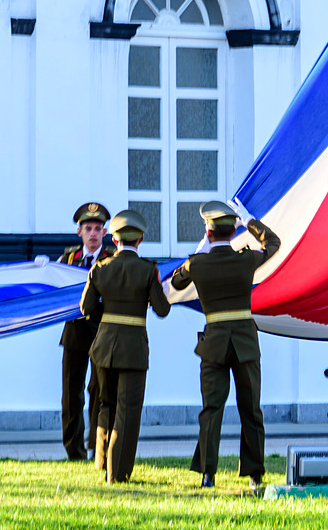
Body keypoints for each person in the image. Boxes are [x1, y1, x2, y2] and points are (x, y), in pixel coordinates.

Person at [170, 201, 280, 489]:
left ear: (207, 232)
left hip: (214, 343)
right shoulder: (246, 259)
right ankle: (255, 474)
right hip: (244, 341)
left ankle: (208, 474)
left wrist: (201, 251)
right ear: (233, 232)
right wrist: (250, 222)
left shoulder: (197, 263)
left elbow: (178, 283)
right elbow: (273, 243)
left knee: (212, 409)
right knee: (251, 409)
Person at [80, 209, 170, 483]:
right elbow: (162, 309)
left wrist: (106, 322)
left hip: (104, 346)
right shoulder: (147, 270)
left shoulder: (100, 267)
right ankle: (116, 474)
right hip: (133, 350)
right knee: (127, 410)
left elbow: (86, 307)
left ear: (114, 239)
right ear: (140, 239)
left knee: (105, 405)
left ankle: (102, 463)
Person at [57, 202, 114, 461]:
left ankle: (97, 448)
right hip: (74, 333)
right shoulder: (68, 260)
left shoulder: (112, 259)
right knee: (71, 394)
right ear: (79, 232)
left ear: (105, 233)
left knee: (100, 392)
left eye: (98, 228)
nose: (93, 233)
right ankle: (74, 451)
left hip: (102, 332)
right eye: (88, 228)